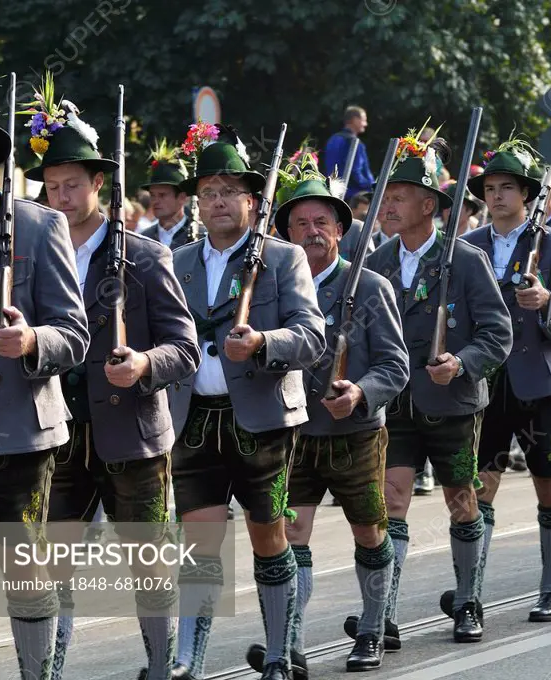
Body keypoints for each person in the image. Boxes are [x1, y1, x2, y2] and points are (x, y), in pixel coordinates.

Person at [21, 79, 202, 680]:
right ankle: (48, 670)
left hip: (134, 433)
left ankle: (163, 667)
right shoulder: (25, 257)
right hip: (59, 432)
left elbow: (186, 348)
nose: (62, 196)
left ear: (100, 183)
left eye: (74, 184)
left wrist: (146, 364)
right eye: (51, 186)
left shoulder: (144, 256)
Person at [0, 68, 89, 680]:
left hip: (15, 423)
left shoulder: (37, 224)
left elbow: (74, 334)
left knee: (24, 569)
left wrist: (31, 339)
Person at [167, 125, 327, 680]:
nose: (217, 201)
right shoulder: (177, 261)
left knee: (267, 533)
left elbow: (312, 337)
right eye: (207, 191)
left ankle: (281, 653)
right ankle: (187, 659)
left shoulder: (282, 259)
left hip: (261, 420)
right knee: (199, 540)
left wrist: (262, 342)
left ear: (252, 201)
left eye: (229, 190)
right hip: (193, 419)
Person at [347, 126, 512, 645]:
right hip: (394, 406)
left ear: (428, 206)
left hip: (453, 404)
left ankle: (468, 601)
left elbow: (497, 332)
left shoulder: (464, 260)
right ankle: (383, 615)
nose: (387, 207)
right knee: (391, 499)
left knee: (461, 499)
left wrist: (461, 363)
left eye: (399, 199)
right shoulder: (375, 265)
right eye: (385, 198)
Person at [248, 164, 409, 674]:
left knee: (369, 531)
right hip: (293, 433)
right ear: (286, 233)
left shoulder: (372, 285)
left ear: (341, 229)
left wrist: (361, 392)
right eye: (300, 223)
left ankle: (372, 628)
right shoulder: (269, 287)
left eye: (323, 221)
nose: (313, 231)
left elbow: (395, 365)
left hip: (356, 434)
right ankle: (290, 641)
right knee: (293, 535)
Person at [442, 134, 551, 621]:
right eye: (491, 188)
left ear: (527, 194)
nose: (496, 196)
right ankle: (469, 596)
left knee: (547, 481)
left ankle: (550, 588)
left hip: (541, 383)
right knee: (477, 488)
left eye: (507, 187)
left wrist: (545, 303)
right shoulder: (466, 246)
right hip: (483, 384)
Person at [139, 139, 205, 249]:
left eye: (162, 195)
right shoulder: (143, 238)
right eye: (152, 195)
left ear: (182, 197)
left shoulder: (202, 235)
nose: (155, 201)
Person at [323, 106, 374, 200]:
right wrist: (371, 187)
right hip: (354, 197)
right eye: (363, 120)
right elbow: (356, 171)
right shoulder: (354, 143)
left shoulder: (332, 139)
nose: (365, 124)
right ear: (354, 120)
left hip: (332, 192)